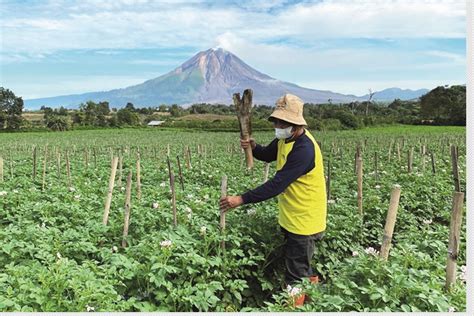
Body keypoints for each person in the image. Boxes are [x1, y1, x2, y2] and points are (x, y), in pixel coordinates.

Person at [219, 93, 327, 288]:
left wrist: (241, 199)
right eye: (276, 122)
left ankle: (298, 306)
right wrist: (254, 147)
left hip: (305, 220)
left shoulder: (304, 149)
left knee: (295, 275)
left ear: (296, 124)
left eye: (282, 123)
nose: (277, 127)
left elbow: (277, 185)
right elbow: (268, 154)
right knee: (299, 263)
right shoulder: (286, 139)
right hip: (292, 215)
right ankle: (314, 294)